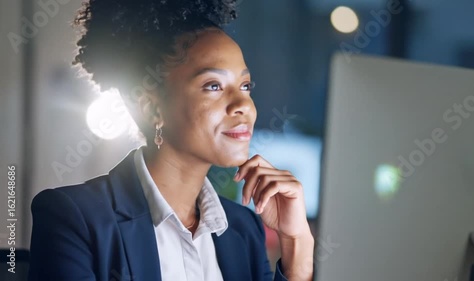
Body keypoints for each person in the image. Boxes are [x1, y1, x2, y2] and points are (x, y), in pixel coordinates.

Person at [28, 0, 314, 280]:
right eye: (213, 86)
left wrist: (297, 243)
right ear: (152, 107)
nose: (243, 105)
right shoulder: (74, 218)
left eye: (245, 86)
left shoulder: (243, 229)